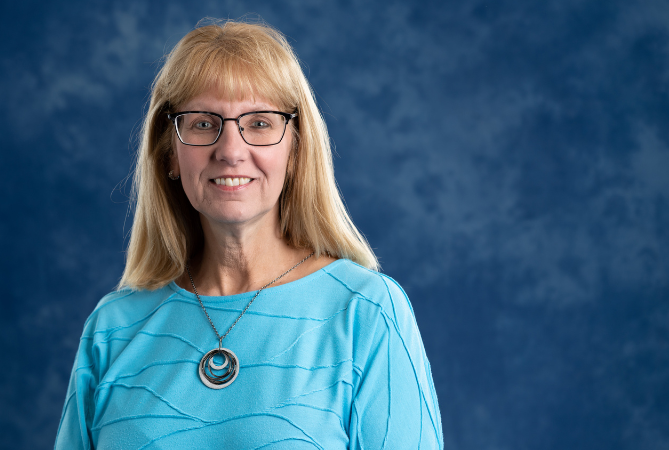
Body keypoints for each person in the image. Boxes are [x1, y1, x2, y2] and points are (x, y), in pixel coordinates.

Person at [55, 19, 442, 450]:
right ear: (169, 153)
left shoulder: (366, 313)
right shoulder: (113, 327)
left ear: (295, 151)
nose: (231, 151)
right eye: (203, 123)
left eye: (259, 122)